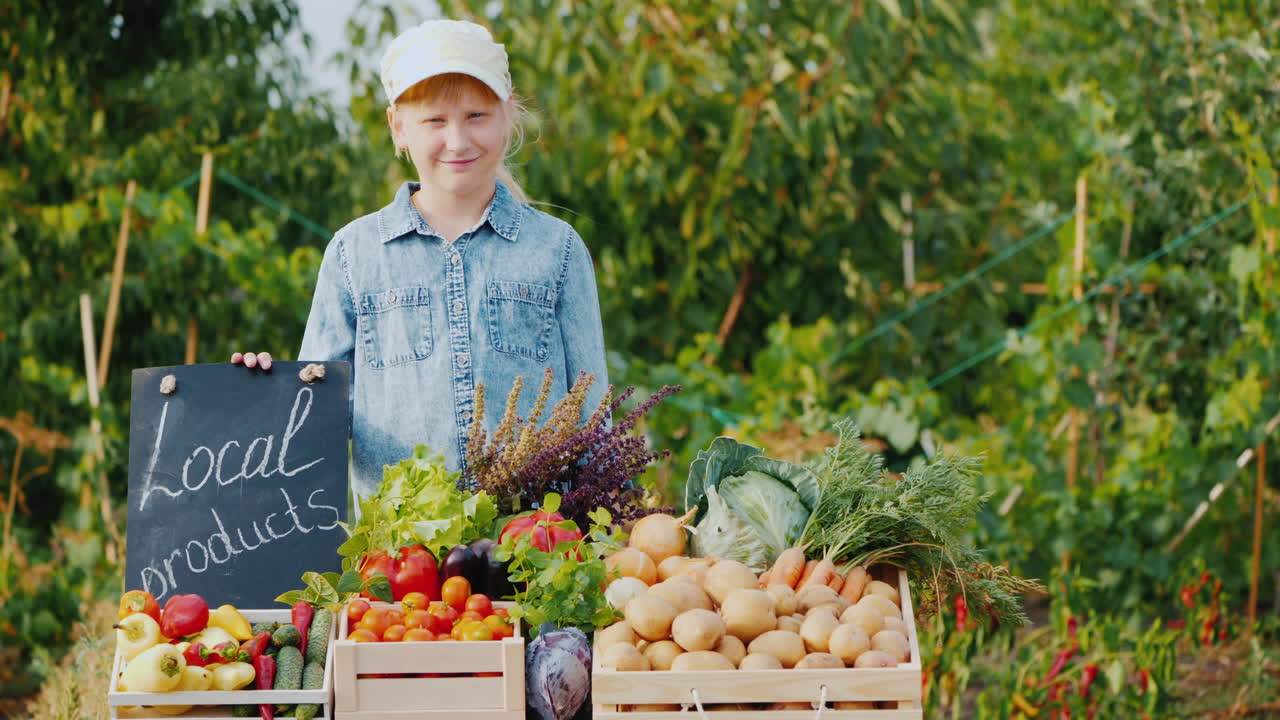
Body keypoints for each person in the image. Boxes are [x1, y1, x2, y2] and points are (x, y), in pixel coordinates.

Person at [233, 19, 609, 502]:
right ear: (398, 126)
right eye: (435, 121)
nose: (458, 140)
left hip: (532, 540)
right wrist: (263, 390)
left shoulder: (557, 250)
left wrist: (610, 527)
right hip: (402, 544)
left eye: (476, 115)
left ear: (507, 113)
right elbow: (314, 422)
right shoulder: (354, 255)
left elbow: (593, 420)